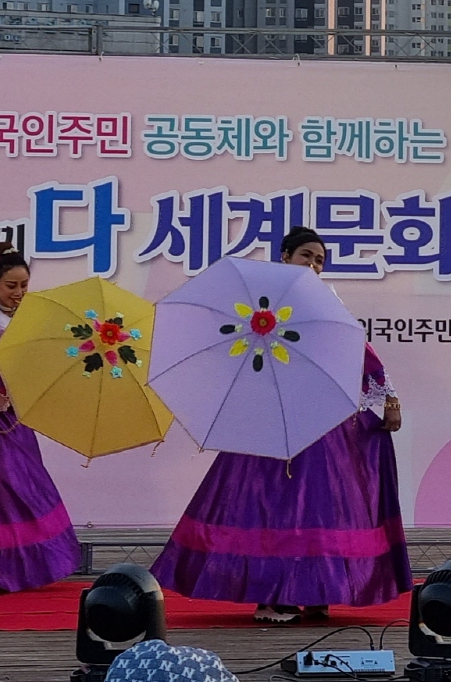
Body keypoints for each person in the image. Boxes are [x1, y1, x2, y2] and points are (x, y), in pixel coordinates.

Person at [151, 227, 411, 624]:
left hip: (320, 421)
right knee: (268, 508)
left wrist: (388, 397)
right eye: (307, 255)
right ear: (285, 256)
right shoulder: (251, 298)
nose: (314, 264)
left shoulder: (324, 299)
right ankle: (274, 596)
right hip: (264, 415)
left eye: (320, 260)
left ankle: (319, 590)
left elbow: (354, 349)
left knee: (322, 508)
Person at [0, 243, 84, 591]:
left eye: (23, 286)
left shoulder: (22, 317)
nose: (18, 293)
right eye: (11, 286)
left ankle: (22, 566)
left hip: (15, 418)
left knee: (25, 483)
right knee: (1, 484)